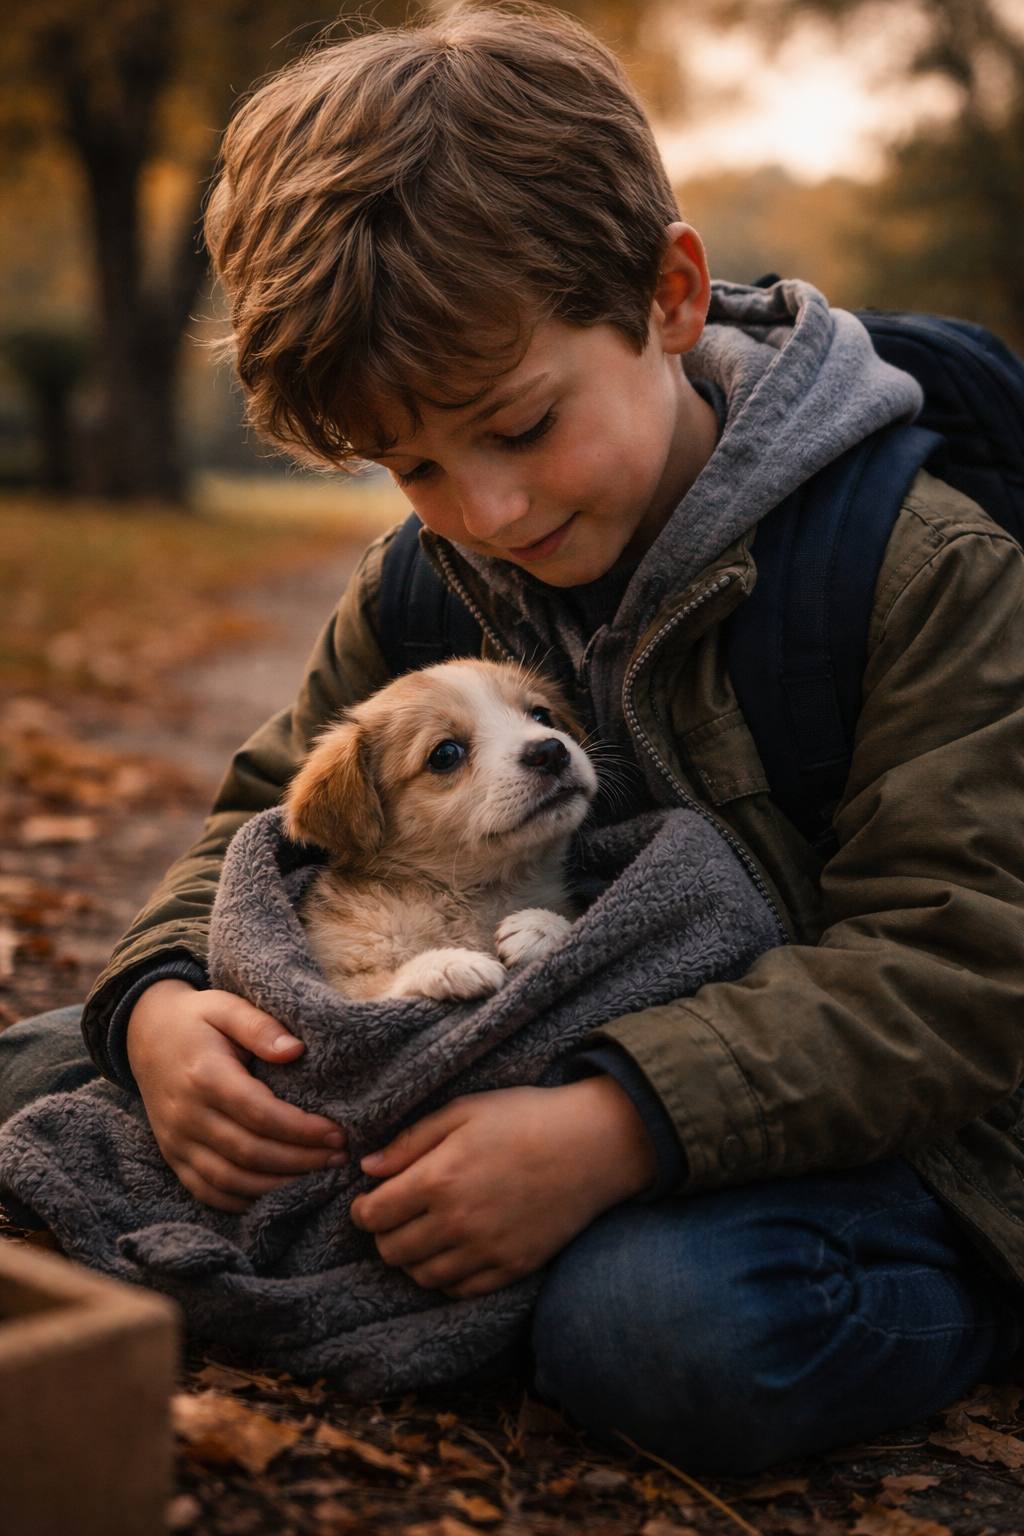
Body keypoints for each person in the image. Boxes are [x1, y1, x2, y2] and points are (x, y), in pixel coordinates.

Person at [3, 1, 1024, 1475]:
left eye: (521, 425)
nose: (486, 510)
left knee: (658, 1329)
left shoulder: (917, 563)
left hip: (882, 1117)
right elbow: (265, 814)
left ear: (669, 294)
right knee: (40, 1071)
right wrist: (159, 1005)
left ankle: (958, 1298)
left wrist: (621, 1128)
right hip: (490, 1031)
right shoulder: (434, 582)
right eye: (414, 462)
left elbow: (960, 968)